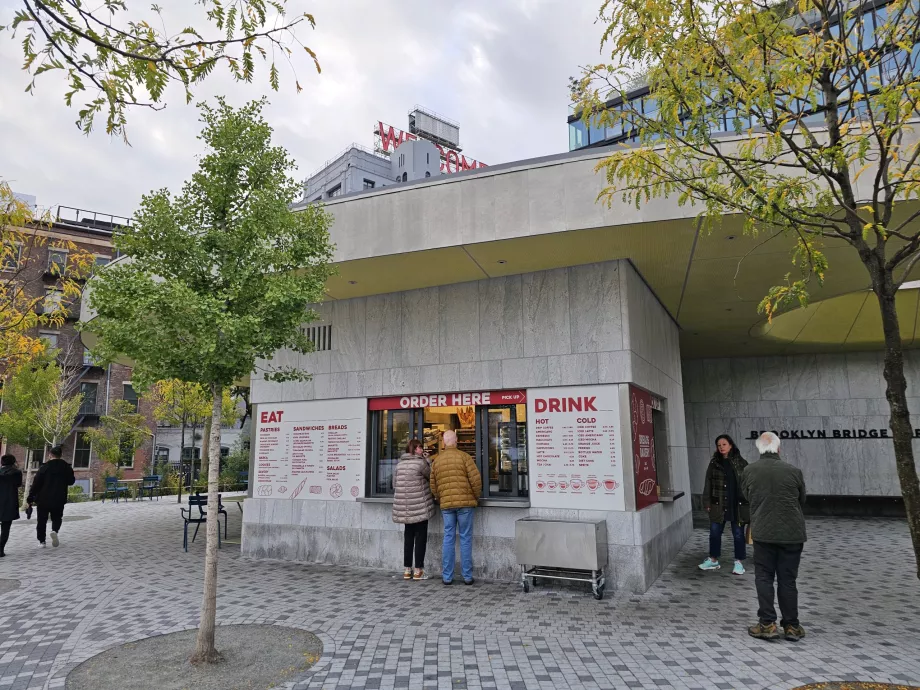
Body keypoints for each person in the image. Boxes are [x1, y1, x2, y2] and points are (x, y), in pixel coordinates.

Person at [742, 431, 807, 642]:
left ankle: (767, 624)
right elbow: (802, 499)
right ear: (778, 448)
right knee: (788, 580)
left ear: (759, 448)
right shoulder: (793, 471)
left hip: (764, 533)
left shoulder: (749, 471)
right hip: (792, 534)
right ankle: (791, 626)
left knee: (764, 577)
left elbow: (747, 496)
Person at [430, 429, 482, 586]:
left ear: (444, 442)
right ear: (456, 440)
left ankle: (447, 577)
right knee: (465, 538)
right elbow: (476, 480)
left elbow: (433, 485)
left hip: (446, 506)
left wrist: (441, 498)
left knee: (448, 538)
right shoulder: (464, 457)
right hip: (465, 504)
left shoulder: (437, 461)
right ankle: (467, 576)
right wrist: (475, 496)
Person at [699, 434, 750, 575]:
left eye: (724, 444)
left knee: (738, 534)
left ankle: (739, 562)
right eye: (719, 445)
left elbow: (748, 484)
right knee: (715, 533)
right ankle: (713, 560)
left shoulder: (741, 463)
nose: (721, 447)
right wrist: (706, 502)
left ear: (731, 445)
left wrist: (749, 502)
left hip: (737, 505)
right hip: (718, 503)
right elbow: (707, 483)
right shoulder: (714, 463)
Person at [392, 438, 435, 581]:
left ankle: (406, 570)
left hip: (405, 508)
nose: (422, 450)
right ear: (414, 449)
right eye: (420, 448)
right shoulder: (421, 463)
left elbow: (394, 484)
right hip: (420, 507)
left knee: (408, 538)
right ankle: (418, 571)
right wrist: (428, 460)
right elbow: (431, 476)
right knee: (421, 538)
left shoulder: (399, 465)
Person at [26, 445, 75, 548]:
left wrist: (30, 497)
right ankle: (55, 531)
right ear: (61, 455)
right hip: (59, 497)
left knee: (42, 520)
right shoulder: (66, 467)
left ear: (50, 455)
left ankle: (42, 541)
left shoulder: (44, 468)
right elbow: (71, 481)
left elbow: (36, 484)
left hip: (43, 498)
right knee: (57, 517)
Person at [0, 454, 23, 557]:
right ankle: (0, 549)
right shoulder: (17, 473)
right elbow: (18, 484)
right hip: (9, 502)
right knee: (6, 527)